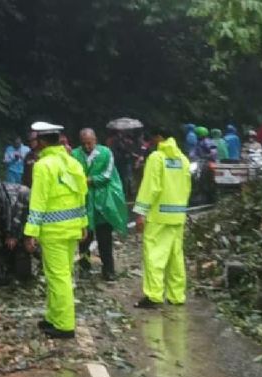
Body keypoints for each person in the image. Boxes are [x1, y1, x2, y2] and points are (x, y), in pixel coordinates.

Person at [24, 122, 88, 339]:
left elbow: (38, 201)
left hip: (54, 231)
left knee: (58, 277)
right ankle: (53, 317)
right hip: (72, 229)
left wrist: (30, 232)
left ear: (42, 142)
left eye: (35, 140)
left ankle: (64, 325)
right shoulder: (72, 162)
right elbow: (81, 195)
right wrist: (83, 223)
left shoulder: (43, 165)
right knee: (60, 275)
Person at [133, 126, 192, 308]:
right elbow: (187, 187)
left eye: (152, 139)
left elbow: (151, 186)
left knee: (154, 256)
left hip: (158, 215)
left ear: (159, 137)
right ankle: (176, 296)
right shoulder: (183, 159)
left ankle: (154, 296)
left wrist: (141, 212)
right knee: (175, 257)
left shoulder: (157, 158)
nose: (151, 143)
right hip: (177, 215)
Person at [73, 128, 129, 281]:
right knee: (84, 239)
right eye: (84, 144)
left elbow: (107, 175)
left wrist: (88, 180)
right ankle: (84, 269)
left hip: (103, 203)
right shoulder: (74, 155)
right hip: (84, 203)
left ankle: (109, 270)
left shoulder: (106, 153)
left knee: (105, 239)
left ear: (95, 140)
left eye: (90, 143)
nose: (87, 147)